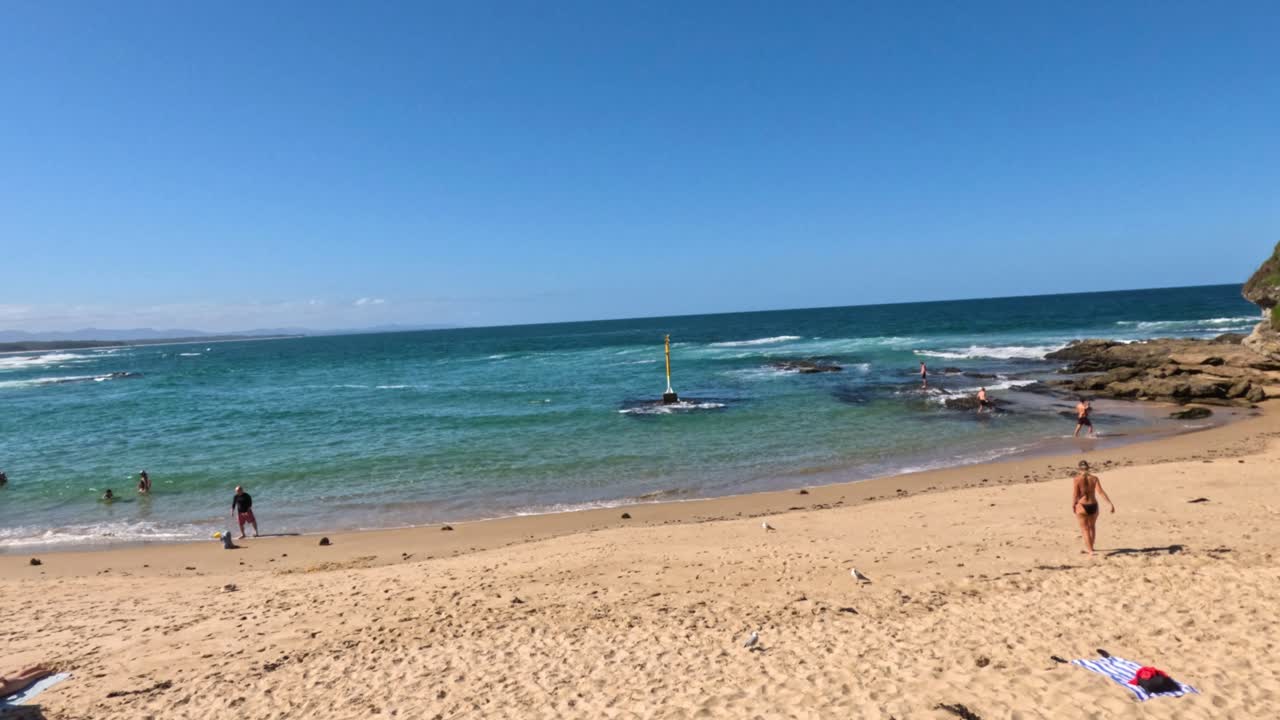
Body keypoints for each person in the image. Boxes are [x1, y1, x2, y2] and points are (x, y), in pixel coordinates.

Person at [1072, 460, 1115, 555]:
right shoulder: (1094, 478)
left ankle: (1090, 550)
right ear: (1088, 468)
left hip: (1082, 506)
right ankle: (1092, 547)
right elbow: (1101, 492)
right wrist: (1110, 503)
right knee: (1092, 527)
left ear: (1079, 469)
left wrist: (1073, 505)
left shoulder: (1077, 479)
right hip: (1093, 505)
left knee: (1085, 529)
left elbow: (1075, 495)